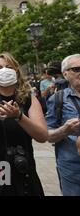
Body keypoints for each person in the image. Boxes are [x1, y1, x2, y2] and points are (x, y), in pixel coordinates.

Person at [0, 52, 47, 196]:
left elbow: (42, 136)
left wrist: (19, 116)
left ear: (16, 70)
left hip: (23, 170)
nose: (4, 70)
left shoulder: (28, 98)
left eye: (8, 66)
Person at [46, 54, 80, 196]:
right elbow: (47, 135)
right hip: (72, 168)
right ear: (65, 74)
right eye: (77, 69)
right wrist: (65, 130)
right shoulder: (58, 99)